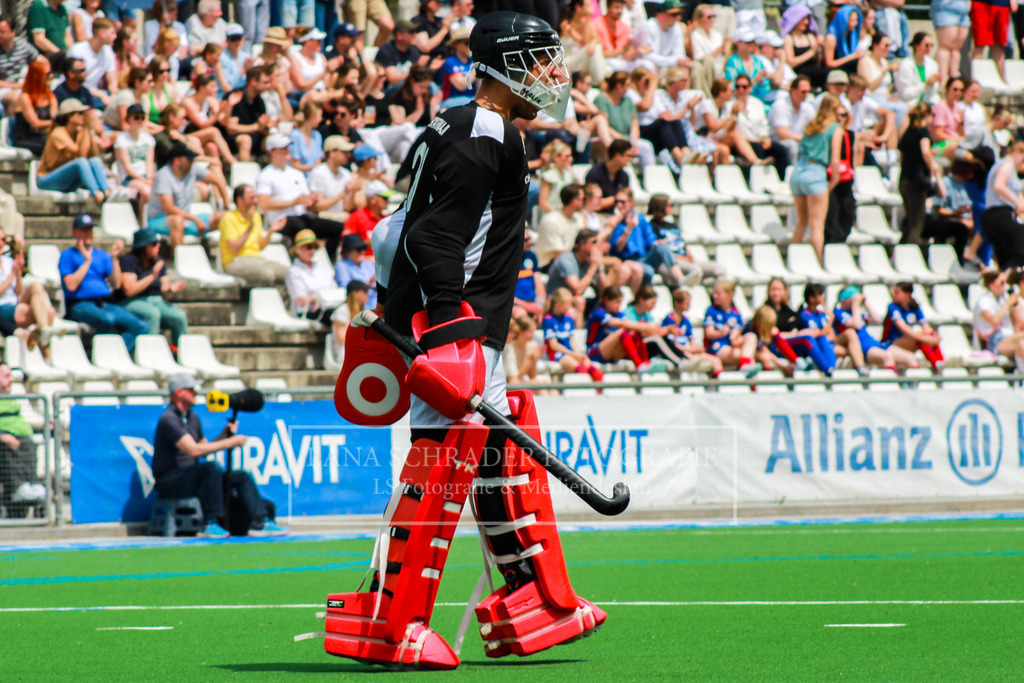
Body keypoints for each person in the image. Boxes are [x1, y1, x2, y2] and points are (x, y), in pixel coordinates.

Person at [330, 12, 604, 668]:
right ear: (506, 66)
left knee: (497, 453)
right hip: (456, 327)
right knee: (438, 457)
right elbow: (430, 237)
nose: (552, 76)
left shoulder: (466, 123)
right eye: (540, 62)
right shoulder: (485, 128)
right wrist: (447, 328)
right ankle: (390, 621)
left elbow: (398, 231)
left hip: (468, 323)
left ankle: (531, 600)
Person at [152, 373, 287, 539]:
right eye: (191, 389)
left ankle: (260, 521)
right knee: (211, 468)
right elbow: (193, 450)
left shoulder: (192, 417)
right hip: (170, 480)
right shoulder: (169, 419)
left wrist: (223, 435)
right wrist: (229, 443)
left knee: (240, 476)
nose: (196, 393)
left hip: (193, 476)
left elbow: (204, 447)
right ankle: (210, 523)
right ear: (179, 392)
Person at [58, 214, 147, 352]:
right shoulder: (67, 255)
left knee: (140, 326)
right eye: (83, 230)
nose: (88, 233)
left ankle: (114, 353)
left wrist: (114, 258)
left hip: (105, 303)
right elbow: (71, 285)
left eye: (90, 230)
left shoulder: (102, 255)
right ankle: (101, 354)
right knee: (107, 320)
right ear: (74, 232)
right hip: (79, 304)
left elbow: (117, 284)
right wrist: (87, 261)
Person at [255, 133, 346, 259]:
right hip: (281, 219)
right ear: (272, 151)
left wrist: (311, 201)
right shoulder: (265, 175)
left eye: (288, 147)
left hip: (302, 217)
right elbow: (263, 203)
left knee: (337, 227)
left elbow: (305, 200)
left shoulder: (296, 174)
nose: (287, 150)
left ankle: (329, 261)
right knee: (300, 227)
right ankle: (302, 262)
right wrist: (294, 202)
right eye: (283, 148)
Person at [790, 93, 844, 261]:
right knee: (817, 225)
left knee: (801, 223)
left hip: (798, 171)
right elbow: (835, 159)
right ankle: (818, 263)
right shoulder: (835, 128)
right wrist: (834, 180)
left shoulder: (810, 125)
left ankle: (793, 260)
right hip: (816, 172)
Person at [117, 227, 188, 344]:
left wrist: (172, 290)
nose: (158, 246)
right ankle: (151, 353)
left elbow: (165, 292)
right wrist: (152, 276)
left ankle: (182, 353)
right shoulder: (129, 261)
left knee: (179, 316)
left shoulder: (158, 261)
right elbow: (129, 291)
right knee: (152, 314)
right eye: (154, 243)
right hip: (133, 301)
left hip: (156, 300)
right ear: (143, 246)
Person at [37, 99, 111, 204]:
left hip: (65, 180)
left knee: (95, 160)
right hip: (47, 180)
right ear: (69, 116)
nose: (83, 116)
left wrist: (90, 130)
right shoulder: (58, 133)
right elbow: (80, 154)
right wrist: (86, 127)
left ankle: (106, 192)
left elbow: (93, 155)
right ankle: (97, 195)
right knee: (81, 162)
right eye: (80, 113)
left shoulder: (79, 133)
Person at [147, 142, 219, 246]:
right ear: (177, 161)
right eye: (189, 159)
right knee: (177, 220)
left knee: (223, 217)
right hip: (158, 220)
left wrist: (224, 204)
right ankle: (180, 259)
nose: (192, 161)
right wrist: (195, 219)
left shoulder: (193, 169)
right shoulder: (163, 176)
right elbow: (169, 209)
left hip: (186, 219)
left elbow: (217, 180)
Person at [833, 285, 918, 370]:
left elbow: (877, 320)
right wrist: (855, 304)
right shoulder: (838, 312)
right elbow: (857, 325)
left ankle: (914, 382)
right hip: (862, 347)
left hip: (874, 343)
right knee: (886, 357)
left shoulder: (857, 314)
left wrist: (865, 303)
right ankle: (890, 383)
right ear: (843, 300)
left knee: (910, 358)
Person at [764, 277, 837, 376]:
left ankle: (832, 367)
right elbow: (769, 334)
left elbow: (797, 330)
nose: (776, 293)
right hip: (777, 346)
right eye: (773, 289)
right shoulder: (765, 311)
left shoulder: (789, 312)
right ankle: (827, 370)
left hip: (791, 343)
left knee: (821, 338)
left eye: (779, 289)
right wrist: (794, 334)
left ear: (785, 292)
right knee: (807, 340)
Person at [219, 184, 289, 286]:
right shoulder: (228, 218)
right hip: (235, 261)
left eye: (255, 197)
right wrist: (250, 226)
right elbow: (234, 249)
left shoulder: (256, 216)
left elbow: (259, 246)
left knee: (290, 273)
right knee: (266, 274)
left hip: (257, 259)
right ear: (240, 200)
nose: (256, 201)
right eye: (252, 198)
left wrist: (270, 231)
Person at [0, 363, 46, 513]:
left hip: (22, 441)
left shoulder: (11, 398)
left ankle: (32, 484)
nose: (11, 380)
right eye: (7, 376)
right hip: (5, 444)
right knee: (11, 447)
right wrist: (3, 437)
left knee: (28, 445)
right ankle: (17, 487)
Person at [898, 102, 945, 249]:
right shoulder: (923, 132)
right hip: (917, 182)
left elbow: (902, 156)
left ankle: (899, 251)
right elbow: (925, 151)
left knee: (911, 221)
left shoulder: (907, 133)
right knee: (917, 223)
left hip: (904, 180)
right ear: (927, 116)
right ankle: (908, 254)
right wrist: (932, 165)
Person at [586, 284, 656, 371]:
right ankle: (639, 366)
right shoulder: (598, 312)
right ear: (607, 300)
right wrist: (647, 326)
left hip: (611, 352)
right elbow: (618, 323)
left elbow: (628, 324)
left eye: (620, 302)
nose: (619, 305)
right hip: (594, 352)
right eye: (617, 302)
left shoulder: (618, 313)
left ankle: (645, 363)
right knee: (623, 331)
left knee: (634, 333)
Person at [542, 287, 604, 380]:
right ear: (559, 304)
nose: (570, 307)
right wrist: (574, 355)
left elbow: (572, 341)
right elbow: (554, 345)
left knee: (593, 370)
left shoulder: (568, 319)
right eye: (569, 304)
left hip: (569, 352)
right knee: (581, 369)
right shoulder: (548, 319)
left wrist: (578, 354)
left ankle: (599, 391)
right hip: (557, 354)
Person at [703, 279, 761, 375]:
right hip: (717, 348)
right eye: (715, 293)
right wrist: (721, 333)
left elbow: (734, 337)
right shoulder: (711, 311)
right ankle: (751, 382)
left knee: (751, 336)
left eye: (718, 293)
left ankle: (745, 368)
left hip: (730, 347)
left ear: (729, 295)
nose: (715, 296)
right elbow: (709, 334)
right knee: (749, 357)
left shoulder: (735, 313)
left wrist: (736, 339)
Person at [882, 281, 945, 370]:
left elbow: (926, 326)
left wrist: (934, 336)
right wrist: (925, 338)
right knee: (921, 337)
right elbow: (903, 328)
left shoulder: (914, 307)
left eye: (897, 292)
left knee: (929, 334)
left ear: (907, 294)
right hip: (890, 343)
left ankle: (940, 362)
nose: (893, 295)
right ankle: (936, 364)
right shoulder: (893, 307)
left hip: (908, 341)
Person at [660, 288, 722, 376]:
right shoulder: (668, 321)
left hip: (688, 351)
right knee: (695, 360)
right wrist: (689, 350)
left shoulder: (686, 320)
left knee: (716, 360)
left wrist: (694, 348)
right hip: (679, 353)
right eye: (686, 303)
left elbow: (691, 338)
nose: (689, 306)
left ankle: (719, 385)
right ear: (676, 303)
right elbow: (670, 345)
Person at [982, 142, 1024, 270]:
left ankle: (1004, 284)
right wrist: (1016, 203)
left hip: (994, 217)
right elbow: (999, 185)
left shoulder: (1009, 169)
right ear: (1017, 152)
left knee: (1006, 259)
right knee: (1021, 253)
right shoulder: (1007, 164)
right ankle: (1004, 279)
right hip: (1000, 215)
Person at [973, 269, 1024, 370]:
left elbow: (1018, 322)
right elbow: (994, 320)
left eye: (1005, 282)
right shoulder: (983, 302)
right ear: (991, 285)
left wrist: (1014, 305)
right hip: (993, 342)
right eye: (1001, 282)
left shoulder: (1003, 298)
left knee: (1022, 344)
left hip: (1009, 338)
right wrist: (1008, 304)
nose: (1005, 285)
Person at [285, 229, 336, 321]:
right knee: (340, 315)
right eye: (309, 247)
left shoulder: (321, 266)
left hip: (328, 308)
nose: (313, 251)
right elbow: (301, 300)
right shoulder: (294, 271)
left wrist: (323, 297)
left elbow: (334, 288)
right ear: (298, 250)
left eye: (315, 247)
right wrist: (323, 297)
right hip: (307, 312)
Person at [112, 103, 155, 207]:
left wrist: (149, 178)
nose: (140, 120)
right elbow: (127, 168)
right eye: (136, 117)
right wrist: (144, 180)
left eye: (142, 117)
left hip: (146, 176)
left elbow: (149, 162)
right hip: (128, 178)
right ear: (128, 119)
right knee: (147, 191)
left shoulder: (148, 138)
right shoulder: (121, 139)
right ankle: (142, 221)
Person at [308, 135, 359, 221]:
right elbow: (319, 207)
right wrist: (342, 195)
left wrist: (352, 191)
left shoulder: (345, 173)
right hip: (322, 219)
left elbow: (346, 208)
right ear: (332, 153)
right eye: (344, 151)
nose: (348, 155)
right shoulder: (319, 172)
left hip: (340, 217)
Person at [12, 57, 54, 157]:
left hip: (42, 137)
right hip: (26, 139)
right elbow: (35, 124)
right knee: (53, 144)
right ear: (37, 77)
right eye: (47, 74)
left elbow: (54, 116)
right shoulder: (24, 98)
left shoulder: (50, 96)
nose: (51, 76)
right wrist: (56, 122)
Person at [0, 14, 41, 113]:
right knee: (17, 98)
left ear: (13, 32)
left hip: (24, 86)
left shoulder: (22, 45)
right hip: (4, 89)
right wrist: (16, 86)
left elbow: (40, 60)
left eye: (2, 32)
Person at [343, 180, 392, 255]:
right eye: (385, 197)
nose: (388, 201)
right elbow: (347, 244)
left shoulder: (387, 219)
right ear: (372, 199)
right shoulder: (356, 217)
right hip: (363, 261)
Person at [584, 139, 633, 212]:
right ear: (617, 156)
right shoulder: (595, 173)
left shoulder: (624, 176)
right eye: (628, 156)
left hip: (616, 215)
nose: (630, 159)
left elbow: (628, 199)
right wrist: (617, 199)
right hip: (597, 215)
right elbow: (591, 203)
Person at [329, 279, 370, 363]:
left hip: (358, 350)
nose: (368, 294)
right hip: (344, 352)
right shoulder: (342, 310)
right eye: (365, 291)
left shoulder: (363, 312)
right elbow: (341, 338)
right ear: (357, 293)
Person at [334, 233, 377, 309]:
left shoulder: (367, 264)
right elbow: (349, 288)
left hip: (375, 302)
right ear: (348, 252)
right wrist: (369, 282)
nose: (363, 252)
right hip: (357, 307)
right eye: (359, 249)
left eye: (363, 249)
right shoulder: (341, 266)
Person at [933, 0, 971, 84]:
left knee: (956, 49)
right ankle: (943, 80)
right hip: (946, 8)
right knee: (945, 47)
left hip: (964, 10)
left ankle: (954, 79)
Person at [896, 32, 940, 105]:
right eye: (926, 45)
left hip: (930, 102)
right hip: (911, 104)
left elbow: (934, 91)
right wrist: (925, 85)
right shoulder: (906, 65)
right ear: (916, 46)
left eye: (931, 45)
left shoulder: (933, 64)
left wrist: (932, 85)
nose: (929, 48)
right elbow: (906, 94)